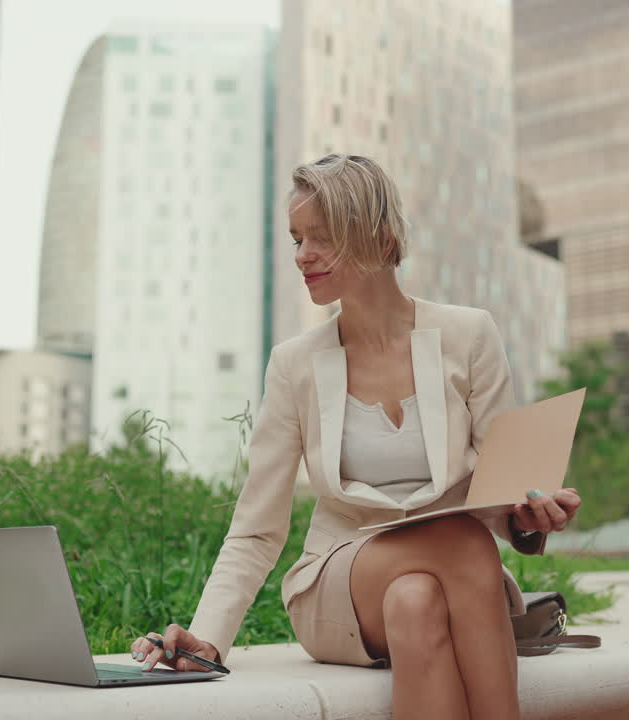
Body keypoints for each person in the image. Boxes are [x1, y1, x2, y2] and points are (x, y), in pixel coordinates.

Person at [131, 154, 582, 718]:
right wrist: (209, 637)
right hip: (339, 583)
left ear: (379, 234)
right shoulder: (294, 364)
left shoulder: (469, 336)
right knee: (463, 542)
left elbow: (498, 491)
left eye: (321, 237)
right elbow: (256, 530)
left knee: (416, 601)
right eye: (296, 238)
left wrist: (527, 514)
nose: (302, 255)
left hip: (448, 585)